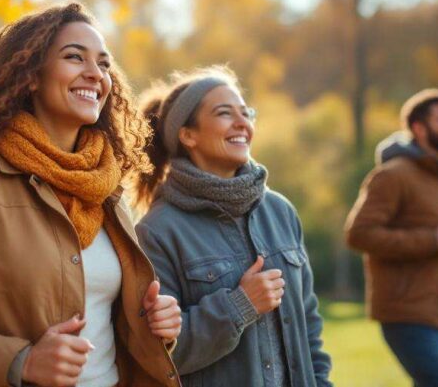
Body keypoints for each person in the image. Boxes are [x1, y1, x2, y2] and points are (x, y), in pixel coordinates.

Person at [0, 2, 182, 387]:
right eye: (75, 57)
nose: (95, 74)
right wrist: (20, 362)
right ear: (30, 77)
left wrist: (158, 324)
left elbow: (108, 323)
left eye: (104, 64)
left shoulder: (107, 189)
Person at [134, 65, 332, 387]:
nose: (243, 123)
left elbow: (309, 327)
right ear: (188, 135)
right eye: (225, 113)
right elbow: (160, 355)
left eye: (246, 112)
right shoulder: (157, 232)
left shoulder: (280, 211)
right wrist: (239, 306)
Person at [345, 88, 438, 387]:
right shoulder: (393, 175)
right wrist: (434, 240)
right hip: (407, 317)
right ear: (418, 128)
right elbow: (358, 235)